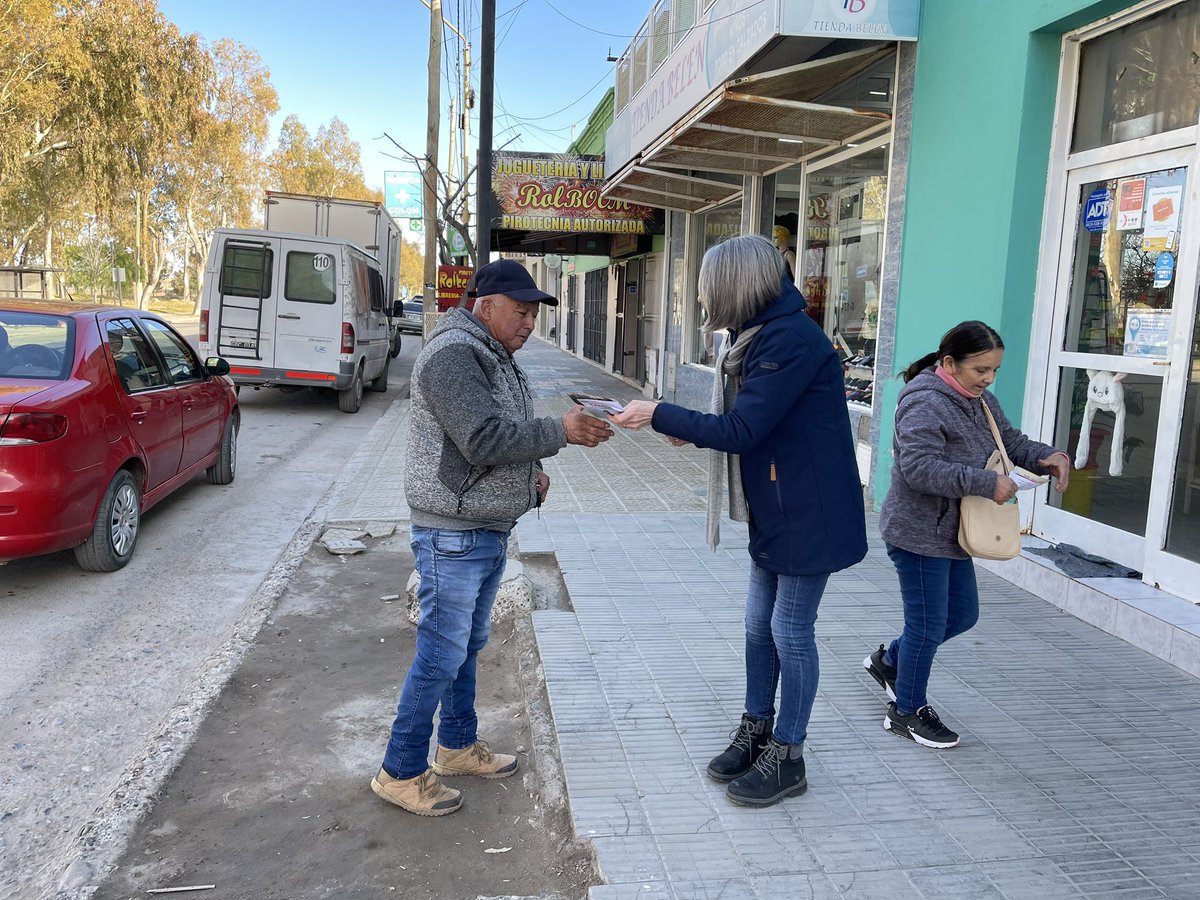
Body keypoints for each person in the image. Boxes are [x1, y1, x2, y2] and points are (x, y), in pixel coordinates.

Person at [612, 233, 867, 808]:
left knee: (788, 632)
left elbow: (743, 430)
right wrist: (681, 425)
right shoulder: (759, 336)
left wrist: (660, 414)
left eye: (709, 293)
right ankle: (758, 727)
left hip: (809, 514)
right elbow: (755, 423)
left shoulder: (788, 340)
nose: (706, 305)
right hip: (777, 507)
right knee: (758, 626)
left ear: (736, 287)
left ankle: (789, 754)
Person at [372, 258, 613, 817]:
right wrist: (561, 432)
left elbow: (485, 445)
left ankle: (455, 747)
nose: (530, 323)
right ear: (486, 307)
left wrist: (528, 482)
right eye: (521, 312)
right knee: (441, 652)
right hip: (451, 532)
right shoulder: (455, 354)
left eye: (534, 314)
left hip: (482, 528)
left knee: (465, 648)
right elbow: (481, 438)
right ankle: (400, 769)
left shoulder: (492, 353)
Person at [866, 320, 1070, 749]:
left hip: (955, 532)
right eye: (981, 370)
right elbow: (917, 468)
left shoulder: (978, 399)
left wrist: (1047, 455)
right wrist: (984, 483)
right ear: (949, 363)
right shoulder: (924, 402)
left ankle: (890, 662)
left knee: (961, 615)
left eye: (994, 370)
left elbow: (1009, 440)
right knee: (927, 624)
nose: (989, 379)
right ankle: (906, 711)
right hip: (919, 533)